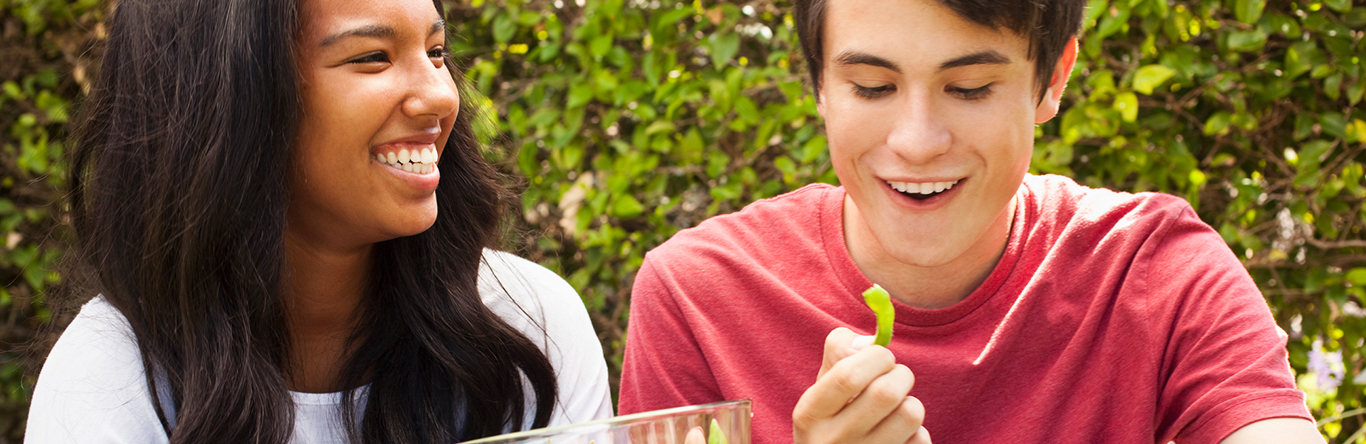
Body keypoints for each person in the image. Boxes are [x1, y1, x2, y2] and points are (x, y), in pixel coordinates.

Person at [617, 0, 1322, 442]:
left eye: (970, 88)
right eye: (872, 86)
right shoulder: (696, 294)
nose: (917, 140)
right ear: (820, 86)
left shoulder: (1156, 272)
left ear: (1053, 79)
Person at [25, 0, 612, 442]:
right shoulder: (109, 380)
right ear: (228, 103)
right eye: (372, 57)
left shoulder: (526, 326)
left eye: (436, 52)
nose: (439, 96)